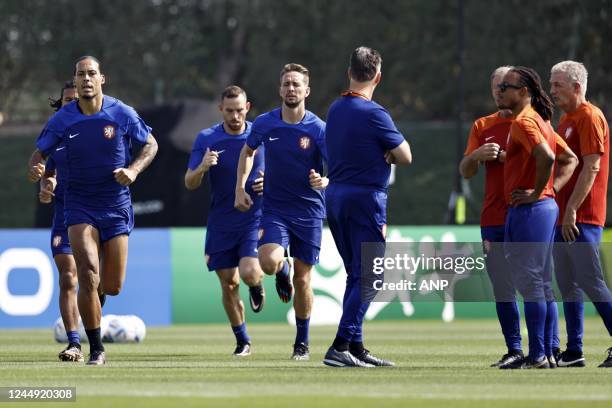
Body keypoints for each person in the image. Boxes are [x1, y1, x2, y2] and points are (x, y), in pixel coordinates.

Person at [27, 56, 158, 365]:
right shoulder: (62, 120)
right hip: (78, 206)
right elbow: (38, 154)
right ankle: (96, 348)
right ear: (75, 77)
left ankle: (94, 306)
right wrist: (37, 169)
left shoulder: (121, 112)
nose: (86, 79)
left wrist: (134, 170)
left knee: (111, 285)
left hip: (115, 206)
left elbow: (150, 144)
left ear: (102, 79)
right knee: (86, 273)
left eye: (91, 74)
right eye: (81, 74)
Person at [322, 46, 412, 367]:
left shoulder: (335, 108)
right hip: (365, 199)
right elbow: (406, 156)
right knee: (371, 277)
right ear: (378, 76)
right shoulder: (375, 113)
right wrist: (385, 153)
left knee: (355, 274)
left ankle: (356, 347)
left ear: (349, 73)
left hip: (335, 197)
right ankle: (340, 344)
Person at [235, 63, 326, 360]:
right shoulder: (264, 123)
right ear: (280, 89)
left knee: (303, 280)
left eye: (296, 84)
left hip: (310, 212)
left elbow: (336, 167)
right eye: (286, 83)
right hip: (275, 209)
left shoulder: (318, 128)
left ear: (306, 91)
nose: (291, 89)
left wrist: (323, 181)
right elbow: (247, 151)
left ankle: (302, 342)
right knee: (269, 261)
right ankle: (281, 269)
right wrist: (241, 187)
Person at [185, 85, 265, 357]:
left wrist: (272, 181)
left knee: (249, 273)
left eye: (239, 110)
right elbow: (190, 182)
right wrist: (203, 167)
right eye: (229, 111)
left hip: (254, 218)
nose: (235, 116)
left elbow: (284, 169)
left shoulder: (260, 135)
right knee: (228, 284)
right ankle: (243, 340)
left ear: (248, 107)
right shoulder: (207, 138)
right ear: (221, 110)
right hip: (221, 222)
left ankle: (257, 285)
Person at [496, 66, 562, 369]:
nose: (500, 91)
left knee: (533, 284)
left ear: (524, 92)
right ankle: (547, 352)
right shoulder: (541, 119)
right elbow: (567, 158)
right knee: (543, 285)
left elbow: (548, 157)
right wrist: (547, 191)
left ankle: (537, 355)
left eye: (506, 86)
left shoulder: (524, 121)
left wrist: (537, 192)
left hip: (531, 210)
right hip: (543, 208)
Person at [549, 60, 612, 368]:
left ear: (577, 86)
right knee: (569, 284)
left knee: (591, 281)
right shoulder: (566, 120)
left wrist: (572, 208)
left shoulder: (590, 116)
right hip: (564, 216)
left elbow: (593, 166)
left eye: (557, 84)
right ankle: (574, 351)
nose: (551, 90)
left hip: (582, 216)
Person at [40, 80, 83, 362]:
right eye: (66, 100)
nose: (70, 103)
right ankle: (74, 343)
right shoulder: (54, 136)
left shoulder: (101, 129)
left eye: (75, 99)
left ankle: (96, 298)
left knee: (100, 282)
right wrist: (47, 184)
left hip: (99, 213)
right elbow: (48, 172)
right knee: (68, 277)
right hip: (65, 215)